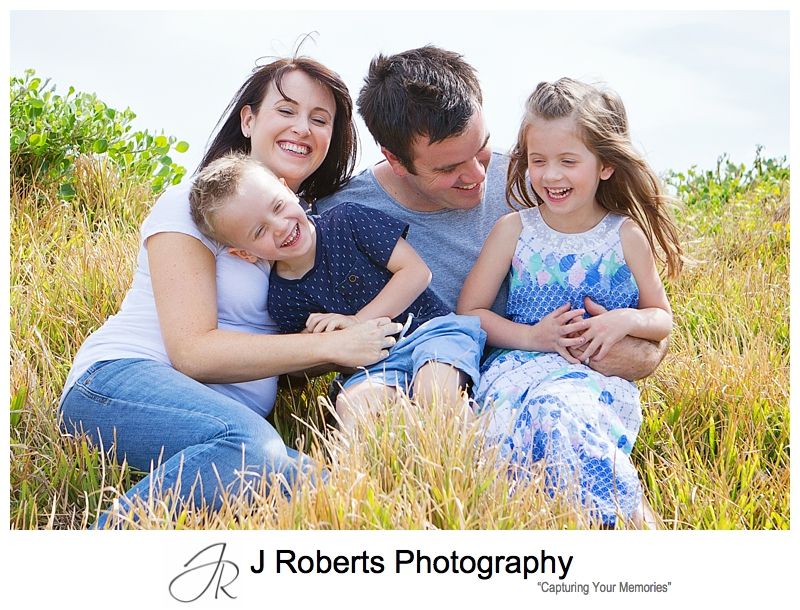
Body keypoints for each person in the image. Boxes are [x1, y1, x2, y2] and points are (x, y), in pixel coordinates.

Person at [58, 56, 401, 528]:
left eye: (320, 119)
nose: (303, 128)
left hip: (228, 425)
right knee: (252, 449)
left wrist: (351, 343)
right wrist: (328, 344)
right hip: (121, 382)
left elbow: (295, 351)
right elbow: (192, 352)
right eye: (286, 110)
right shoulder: (192, 204)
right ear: (248, 119)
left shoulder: (309, 234)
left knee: (351, 502)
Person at [313, 45, 666, 383]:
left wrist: (629, 344)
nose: (480, 176)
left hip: (552, 375)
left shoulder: (540, 180)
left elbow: (650, 321)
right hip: (416, 378)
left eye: (481, 148)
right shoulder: (343, 219)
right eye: (450, 167)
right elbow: (300, 353)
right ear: (395, 160)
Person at [457, 77, 683, 526]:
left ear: (604, 165)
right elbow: (471, 312)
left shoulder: (624, 235)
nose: (550, 175)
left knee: (559, 411)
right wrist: (532, 336)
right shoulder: (514, 230)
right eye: (538, 161)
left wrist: (622, 321)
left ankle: (631, 521)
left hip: (590, 377)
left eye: (567, 161)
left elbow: (661, 318)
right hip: (517, 369)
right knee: (496, 433)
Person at [189, 153, 485, 430]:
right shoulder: (282, 297)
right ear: (244, 254)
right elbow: (301, 368)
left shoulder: (347, 220)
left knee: (435, 392)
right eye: (259, 232)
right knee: (353, 408)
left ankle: (483, 463)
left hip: (432, 331)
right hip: (375, 366)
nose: (280, 227)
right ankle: (374, 479)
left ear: (287, 190)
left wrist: (358, 322)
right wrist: (320, 343)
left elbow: (417, 273)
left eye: (278, 206)